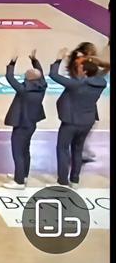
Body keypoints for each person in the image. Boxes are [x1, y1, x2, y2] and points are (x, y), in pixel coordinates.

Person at [50, 48, 109, 187]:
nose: (78, 69)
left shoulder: (76, 84)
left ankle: (62, 181)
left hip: (70, 122)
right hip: (87, 122)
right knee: (78, 150)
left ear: (86, 72)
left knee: (63, 149)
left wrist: (58, 59)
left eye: (81, 68)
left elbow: (53, 75)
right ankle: (75, 180)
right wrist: (96, 62)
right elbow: (104, 69)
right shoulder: (101, 83)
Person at [2, 50, 47, 189]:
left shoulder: (23, 90)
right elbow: (41, 73)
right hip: (32, 124)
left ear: (28, 78)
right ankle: (23, 175)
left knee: (18, 152)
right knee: (25, 150)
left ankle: (19, 182)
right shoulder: (42, 86)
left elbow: (9, 77)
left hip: (21, 124)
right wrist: (34, 60)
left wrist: (12, 62)